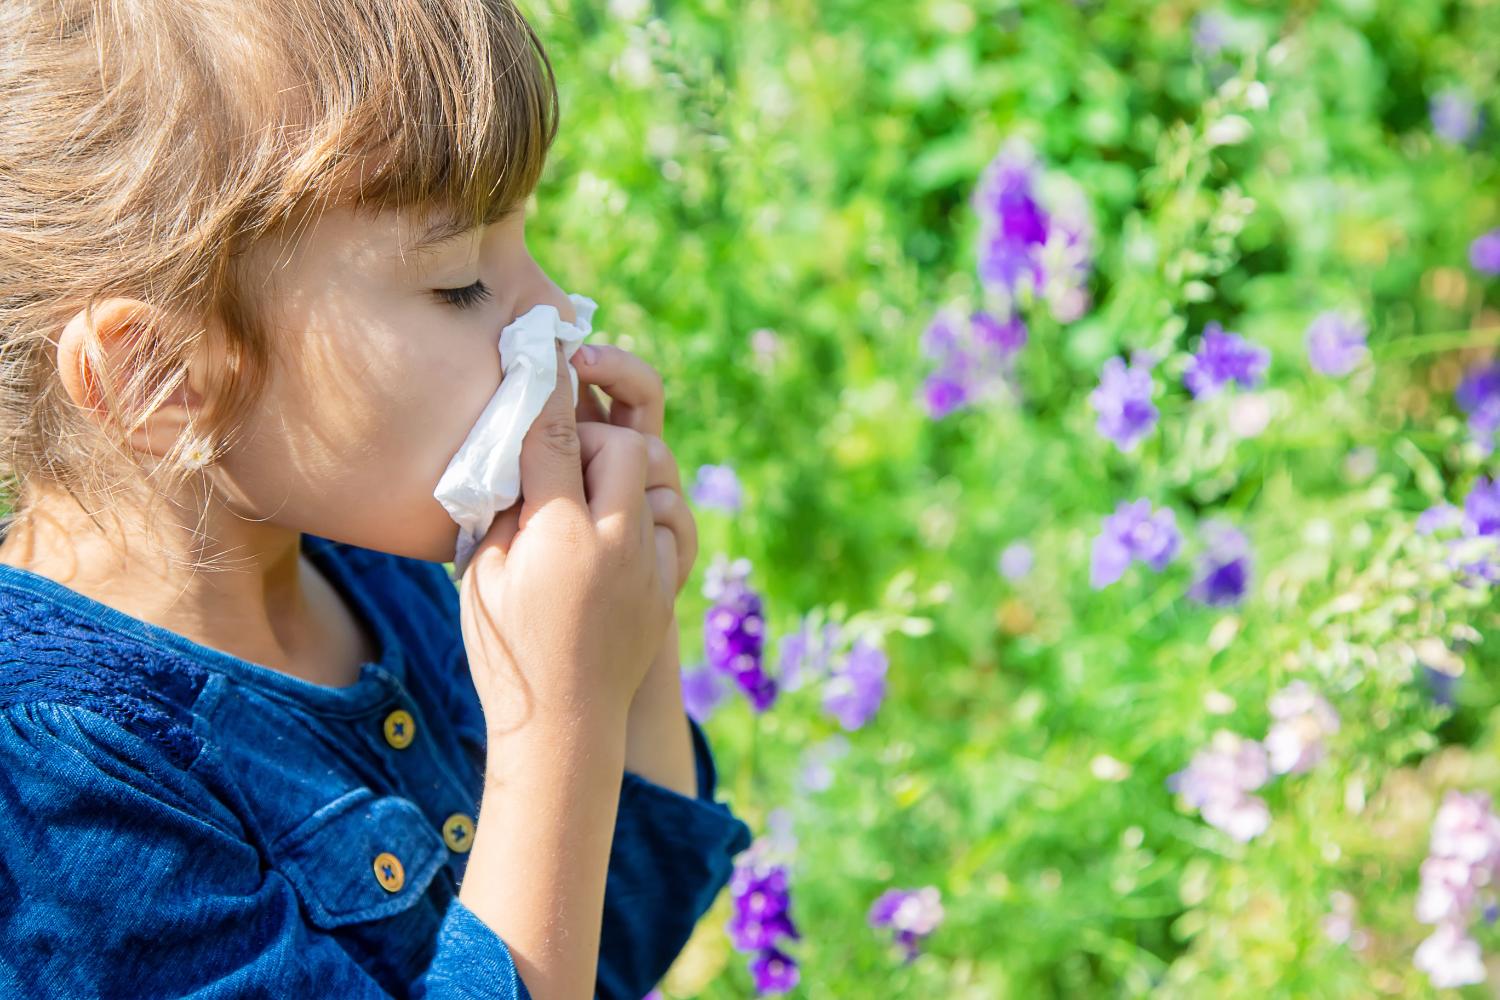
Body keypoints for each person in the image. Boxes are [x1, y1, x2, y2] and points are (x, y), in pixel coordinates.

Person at [0, 1, 751, 997]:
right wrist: (552, 725)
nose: (557, 313)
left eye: (522, 243)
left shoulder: (373, 572)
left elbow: (611, 946)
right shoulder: (68, 793)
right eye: (457, 283)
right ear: (162, 377)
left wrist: (628, 633)